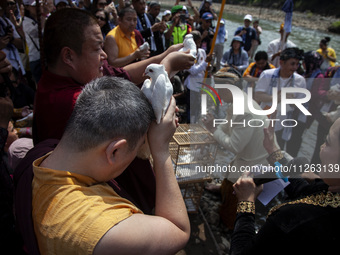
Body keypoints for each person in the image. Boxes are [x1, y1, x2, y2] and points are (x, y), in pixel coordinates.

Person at [31, 76, 190, 254]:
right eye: (141, 146)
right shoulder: (104, 229)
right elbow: (179, 230)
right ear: (115, 151)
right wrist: (160, 150)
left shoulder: (41, 156)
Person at [33, 7, 194, 145]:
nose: (104, 55)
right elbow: (131, 123)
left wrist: (165, 55)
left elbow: (125, 74)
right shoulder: (70, 102)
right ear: (68, 56)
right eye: (97, 48)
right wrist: (168, 66)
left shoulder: (82, 74)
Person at [230, 117, 340, 255]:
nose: (321, 146)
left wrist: (246, 202)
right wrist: (273, 151)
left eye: (328, 142)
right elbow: (305, 191)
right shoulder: (333, 189)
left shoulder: (294, 218)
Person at [202, 82, 278, 230]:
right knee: (230, 170)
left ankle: (230, 225)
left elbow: (234, 146)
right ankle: (222, 190)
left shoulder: (243, 110)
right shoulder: (238, 100)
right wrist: (214, 132)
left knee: (233, 206)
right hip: (248, 156)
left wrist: (213, 130)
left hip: (256, 163)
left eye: (219, 89)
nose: (216, 92)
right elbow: (227, 125)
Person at [254, 47, 306, 157]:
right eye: (292, 64)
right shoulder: (267, 74)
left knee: (275, 156)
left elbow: (300, 105)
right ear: (281, 62)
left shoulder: (300, 80)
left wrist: (292, 101)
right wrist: (276, 97)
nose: (295, 67)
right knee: (256, 153)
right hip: (264, 121)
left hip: (282, 126)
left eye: (297, 64)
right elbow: (258, 96)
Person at [183, 30, 212, 123]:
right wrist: (205, 62)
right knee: (190, 110)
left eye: (199, 42)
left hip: (201, 86)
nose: (198, 45)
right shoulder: (187, 54)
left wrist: (208, 67)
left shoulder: (202, 52)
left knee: (198, 109)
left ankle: (194, 124)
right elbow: (193, 71)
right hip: (192, 87)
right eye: (196, 42)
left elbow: (203, 68)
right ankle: (188, 126)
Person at [22, 0, 48, 83]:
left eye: (39, 5)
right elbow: (37, 32)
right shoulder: (26, 22)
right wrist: (44, 15)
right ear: (26, 7)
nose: (37, 7)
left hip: (46, 57)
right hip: (37, 60)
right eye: (33, 6)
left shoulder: (41, 19)